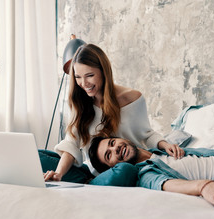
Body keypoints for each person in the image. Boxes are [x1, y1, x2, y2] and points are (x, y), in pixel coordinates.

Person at [43, 43, 184, 183]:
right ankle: (85, 180)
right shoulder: (80, 103)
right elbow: (71, 144)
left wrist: (166, 145)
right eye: (78, 77)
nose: (84, 83)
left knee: (123, 170)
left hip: (125, 171)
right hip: (91, 172)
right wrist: (58, 174)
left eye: (89, 75)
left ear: (104, 71)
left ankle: (89, 182)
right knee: (39, 156)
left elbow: (147, 135)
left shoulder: (133, 99)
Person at [88, 136, 214, 212]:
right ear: (111, 167)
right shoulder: (145, 174)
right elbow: (164, 184)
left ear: (122, 138)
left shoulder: (162, 150)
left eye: (112, 142)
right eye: (109, 155)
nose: (115, 148)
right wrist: (204, 186)